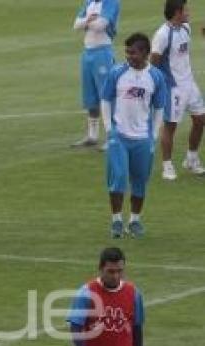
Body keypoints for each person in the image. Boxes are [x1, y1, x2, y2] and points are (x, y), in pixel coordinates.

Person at [101, 32, 167, 238]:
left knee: (139, 181)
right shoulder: (117, 73)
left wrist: (154, 134)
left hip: (142, 138)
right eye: (127, 52)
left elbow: (159, 107)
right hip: (119, 135)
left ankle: (135, 221)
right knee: (119, 178)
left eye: (134, 53)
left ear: (146, 53)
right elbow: (105, 99)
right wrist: (109, 129)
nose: (129, 56)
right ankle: (117, 220)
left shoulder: (155, 76)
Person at [151, 0, 205, 180]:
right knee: (171, 126)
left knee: (200, 120)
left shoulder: (186, 28)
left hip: (190, 84)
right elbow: (154, 62)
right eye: (186, 9)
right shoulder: (163, 35)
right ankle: (167, 166)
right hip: (173, 88)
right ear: (177, 12)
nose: (188, 12)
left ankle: (191, 158)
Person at [72, 0, 120, 149]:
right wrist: (89, 20)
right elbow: (75, 24)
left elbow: (101, 25)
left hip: (102, 52)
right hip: (88, 53)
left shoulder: (111, 2)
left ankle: (112, 136)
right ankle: (92, 136)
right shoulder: (89, 3)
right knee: (90, 96)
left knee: (106, 95)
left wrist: (85, 22)